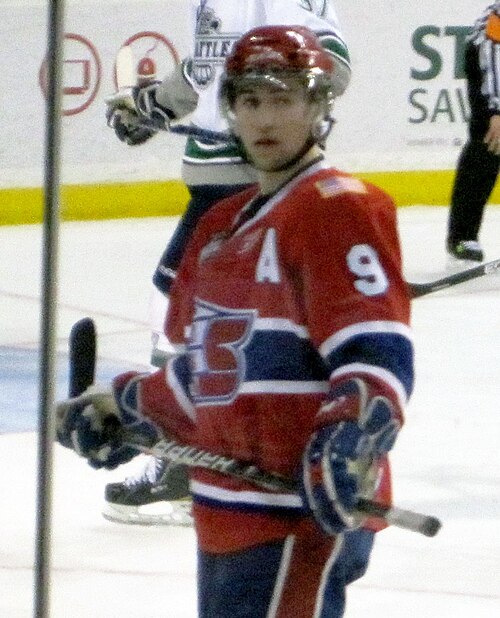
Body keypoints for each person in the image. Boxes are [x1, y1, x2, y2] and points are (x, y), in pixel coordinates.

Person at [59, 25, 414, 617]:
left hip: (299, 513)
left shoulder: (338, 207)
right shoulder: (218, 229)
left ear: (319, 106)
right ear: (230, 111)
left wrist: (355, 435)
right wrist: (125, 408)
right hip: (226, 510)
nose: (265, 119)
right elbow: (206, 376)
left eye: (283, 99)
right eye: (250, 101)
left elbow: (375, 353)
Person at [104, 0, 351, 526]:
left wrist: (265, 112)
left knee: (179, 305)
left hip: (246, 174)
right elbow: (206, 65)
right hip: (214, 178)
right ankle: (207, 451)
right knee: (190, 310)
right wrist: (155, 109)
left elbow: (331, 59)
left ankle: (180, 461)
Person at [447, 1, 500, 263]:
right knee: (489, 143)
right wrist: (494, 109)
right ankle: (462, 237)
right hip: (488, 56)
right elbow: (491, 50)